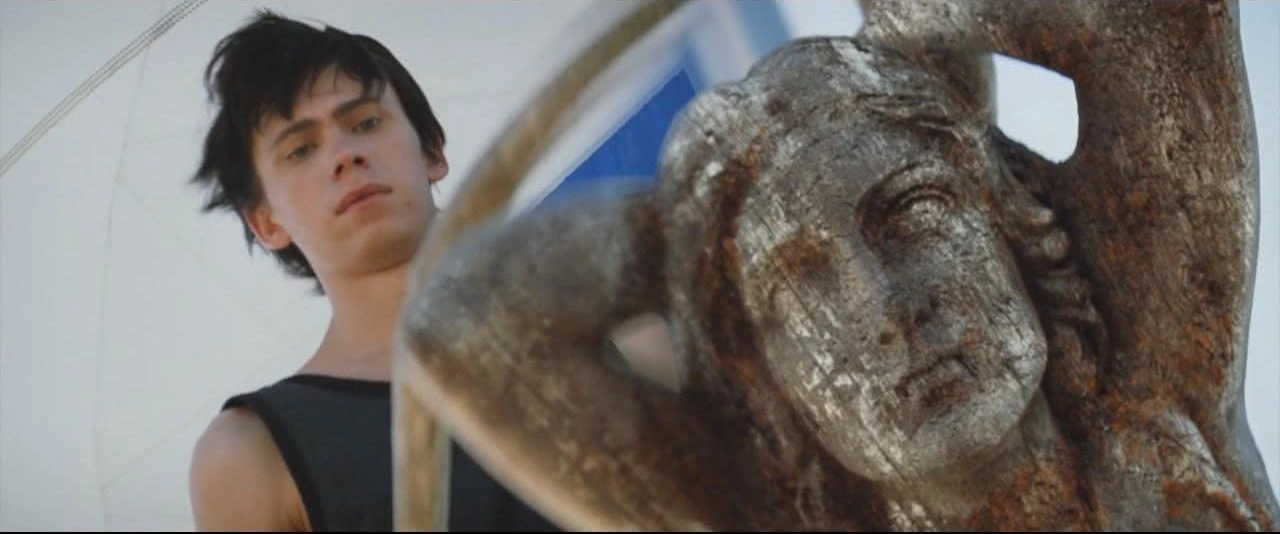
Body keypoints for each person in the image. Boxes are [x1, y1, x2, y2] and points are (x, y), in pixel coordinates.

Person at [186, 10, 559, 532]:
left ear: (431, 149)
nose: (344, 155)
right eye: (301, 149)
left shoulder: (612, 328)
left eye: (365, 123)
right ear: (267, 222)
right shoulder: (251, 455)